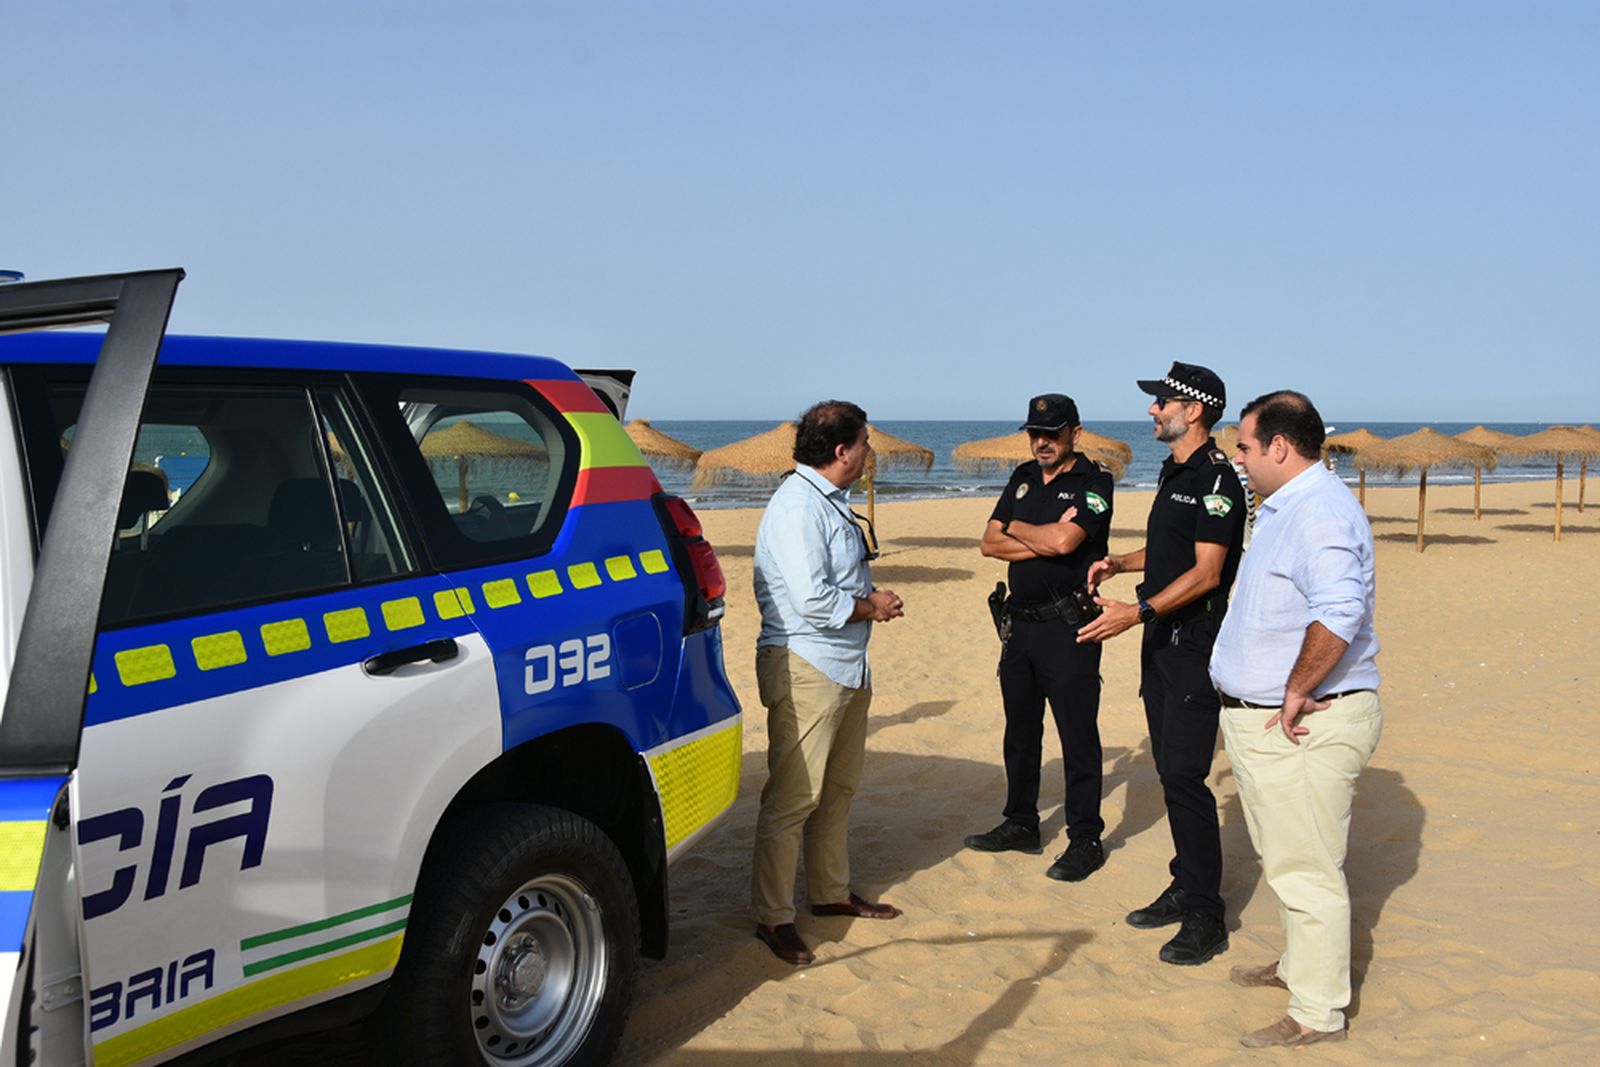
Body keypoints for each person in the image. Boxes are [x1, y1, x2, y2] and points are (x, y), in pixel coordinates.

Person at [1211, 390, 1381, 1048]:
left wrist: (1295, 687)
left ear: (1279, 447)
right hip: (1267, 722)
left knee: (1307, 869)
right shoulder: (1289, 505)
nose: (1238, 458)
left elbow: (1340, 609)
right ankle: (1298, 967)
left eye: (1245, 446)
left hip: (1302, 723)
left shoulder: (1319, 511)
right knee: (1286, 855)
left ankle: (1317, 1012)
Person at [1077, 361, 1245, 966]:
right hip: (1162, 641)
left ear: (1193, 410)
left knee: (1186, 777)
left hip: (1194, 644)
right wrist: (1120, 562)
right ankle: (1185, 883)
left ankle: (1206, 915)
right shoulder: (1176, 471)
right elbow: (1174, 551)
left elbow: (1208, 571)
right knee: (1171, 773)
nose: (1152, 409)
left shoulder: (1217, 477)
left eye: (1162, 401)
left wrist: (1137, 611)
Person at [750, 400, 905, 966]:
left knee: (838, 788)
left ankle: (830, 892)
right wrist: (872, 606)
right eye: (865, 443)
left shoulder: (828, 500)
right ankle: (773, 917)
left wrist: (866, 602)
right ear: (842, 451)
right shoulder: (797, 506)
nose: (870, 452)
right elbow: (812, 599)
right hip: (806, 663)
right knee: (794, 797)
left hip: (844, 663)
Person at [964, 394, 1116, 882]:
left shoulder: (1095, 480)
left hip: (1069, 626)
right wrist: (1043, 535)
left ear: (1076, 432)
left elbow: (1068, 542)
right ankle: (1021, 822)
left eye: (1052, 433)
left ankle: (1085, 838)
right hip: (1019, 625)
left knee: (1077, 735)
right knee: (1021, 731)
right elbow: (989, 544)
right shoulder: (1023, 477)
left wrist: (1024, 530)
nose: (1042, 442)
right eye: (1034, 433)